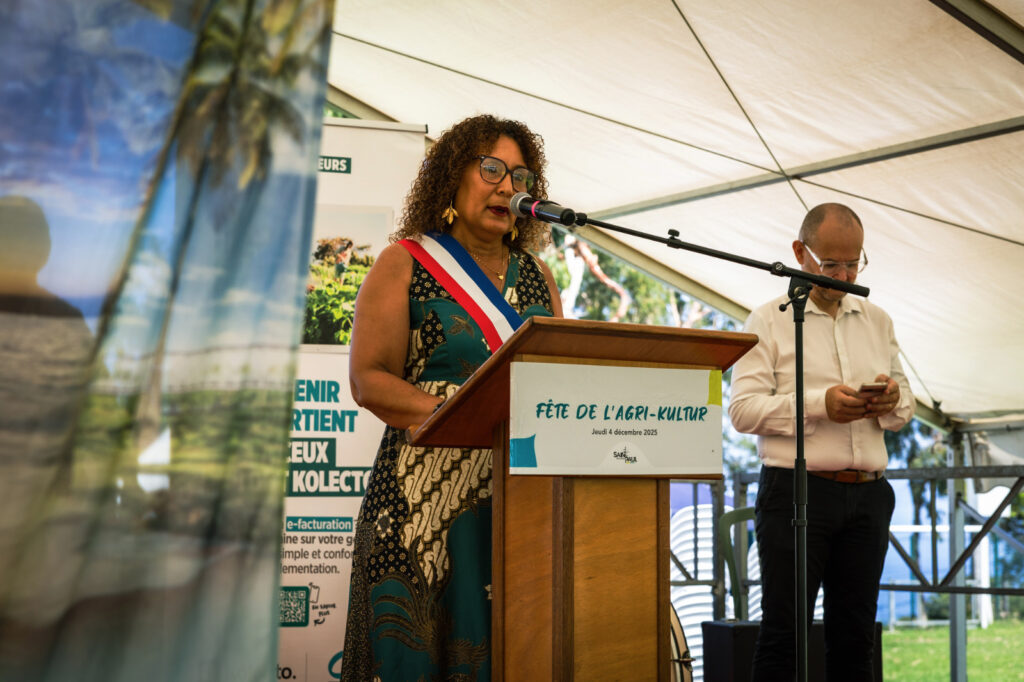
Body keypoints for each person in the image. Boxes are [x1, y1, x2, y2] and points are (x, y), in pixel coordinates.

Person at [340, 115, 562, 681]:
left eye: (520, 176)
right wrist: (460, 414)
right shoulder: (404, 263)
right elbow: (368, 378)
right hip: (418, 513)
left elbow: (558, 382)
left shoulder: (539, 276)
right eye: (491, 169)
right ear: (452, 176)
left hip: (514, 506)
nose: (508, 187)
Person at [728, 203, 915, 681]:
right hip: (796, 493)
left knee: (856, 639)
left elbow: (904, 411)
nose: (845, 275)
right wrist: (819, 405)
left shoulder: (877, 319)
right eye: (831, 264)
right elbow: (742, 411)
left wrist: (891, 399)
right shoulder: (768, 319)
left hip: (870, 493)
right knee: (784, 637)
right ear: (800, 253)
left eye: (854, 263)